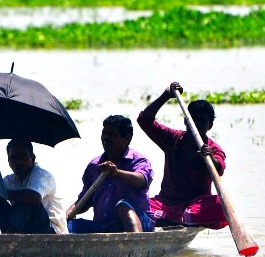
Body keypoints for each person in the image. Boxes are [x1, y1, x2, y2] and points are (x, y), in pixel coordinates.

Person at [137, 81, 228, 229]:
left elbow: (219, 168)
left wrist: (209, 158)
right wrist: (165, 96)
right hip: (166, 204)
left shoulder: (213, 148)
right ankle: (174, 218)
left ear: (210, 125)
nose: (197, 124)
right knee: (136, 205)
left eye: (202, 121)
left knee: (220, 204)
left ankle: (173, 219)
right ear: (186, 120)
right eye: (193, 119)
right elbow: (144, 120)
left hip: (195, 206)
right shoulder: (172, 139)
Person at [66, 115, 154, 233]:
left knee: (123, 205)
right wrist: (71, 211)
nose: (106, 138)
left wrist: (117, 173)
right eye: (104, 133)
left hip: (140, 223)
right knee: (69, 226)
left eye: (112, 134)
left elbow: (142, 180)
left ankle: (136, 245)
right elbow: (86, 198)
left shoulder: (138, 160)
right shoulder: (94, 165)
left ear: (127, 138)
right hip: (103, 226)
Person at [0, 139, 68, 234]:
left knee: (27, 199)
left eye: (23, 157)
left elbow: (33, 197)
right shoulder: (9, 180)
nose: (18, 162)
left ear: (32, 159)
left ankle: (11, 237)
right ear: (8, 161)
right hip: (23, 228)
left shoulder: (43, 175)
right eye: (14, 158)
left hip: (51, 232)